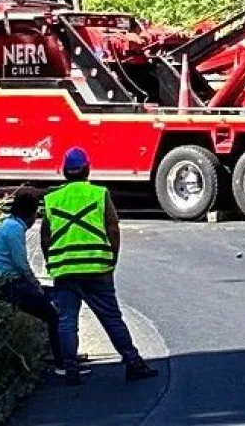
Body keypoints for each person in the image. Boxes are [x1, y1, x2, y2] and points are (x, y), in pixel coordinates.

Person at [41, 148, 159, 385]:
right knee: (111, 318)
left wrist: (51, 261)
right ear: (87, 169)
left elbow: (45, 236)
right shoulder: (99, 194)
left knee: (66, 321)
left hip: (65, 270)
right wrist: (112, 258)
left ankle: (71, 370)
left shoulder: (51, 199)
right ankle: (133, 362)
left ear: (64, 171)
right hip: (97, 267)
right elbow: (112, 228)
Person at [0, 188, 74, 375]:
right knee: (54, 315)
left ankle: (64, 354)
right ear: (31, 214)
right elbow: (21, 265)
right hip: (11, 284)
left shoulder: (5, 225)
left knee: (53, 298)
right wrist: (35, 285)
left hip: (4, 281)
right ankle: (63, 363)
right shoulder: (14, 230)